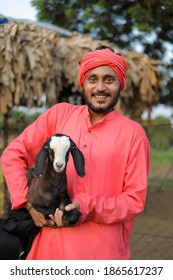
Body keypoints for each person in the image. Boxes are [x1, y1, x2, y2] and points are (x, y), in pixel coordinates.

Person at [0, 46, 150, 260]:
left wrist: (87, 205)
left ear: (120, 85)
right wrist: (27, 202)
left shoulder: (133, 134)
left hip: (103, 254)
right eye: (92, 79)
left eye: (109, 80)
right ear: (83, 83)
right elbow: (13, 153)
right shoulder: (59, 115)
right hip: (48, 251)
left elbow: (134, 200)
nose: (100, 87)